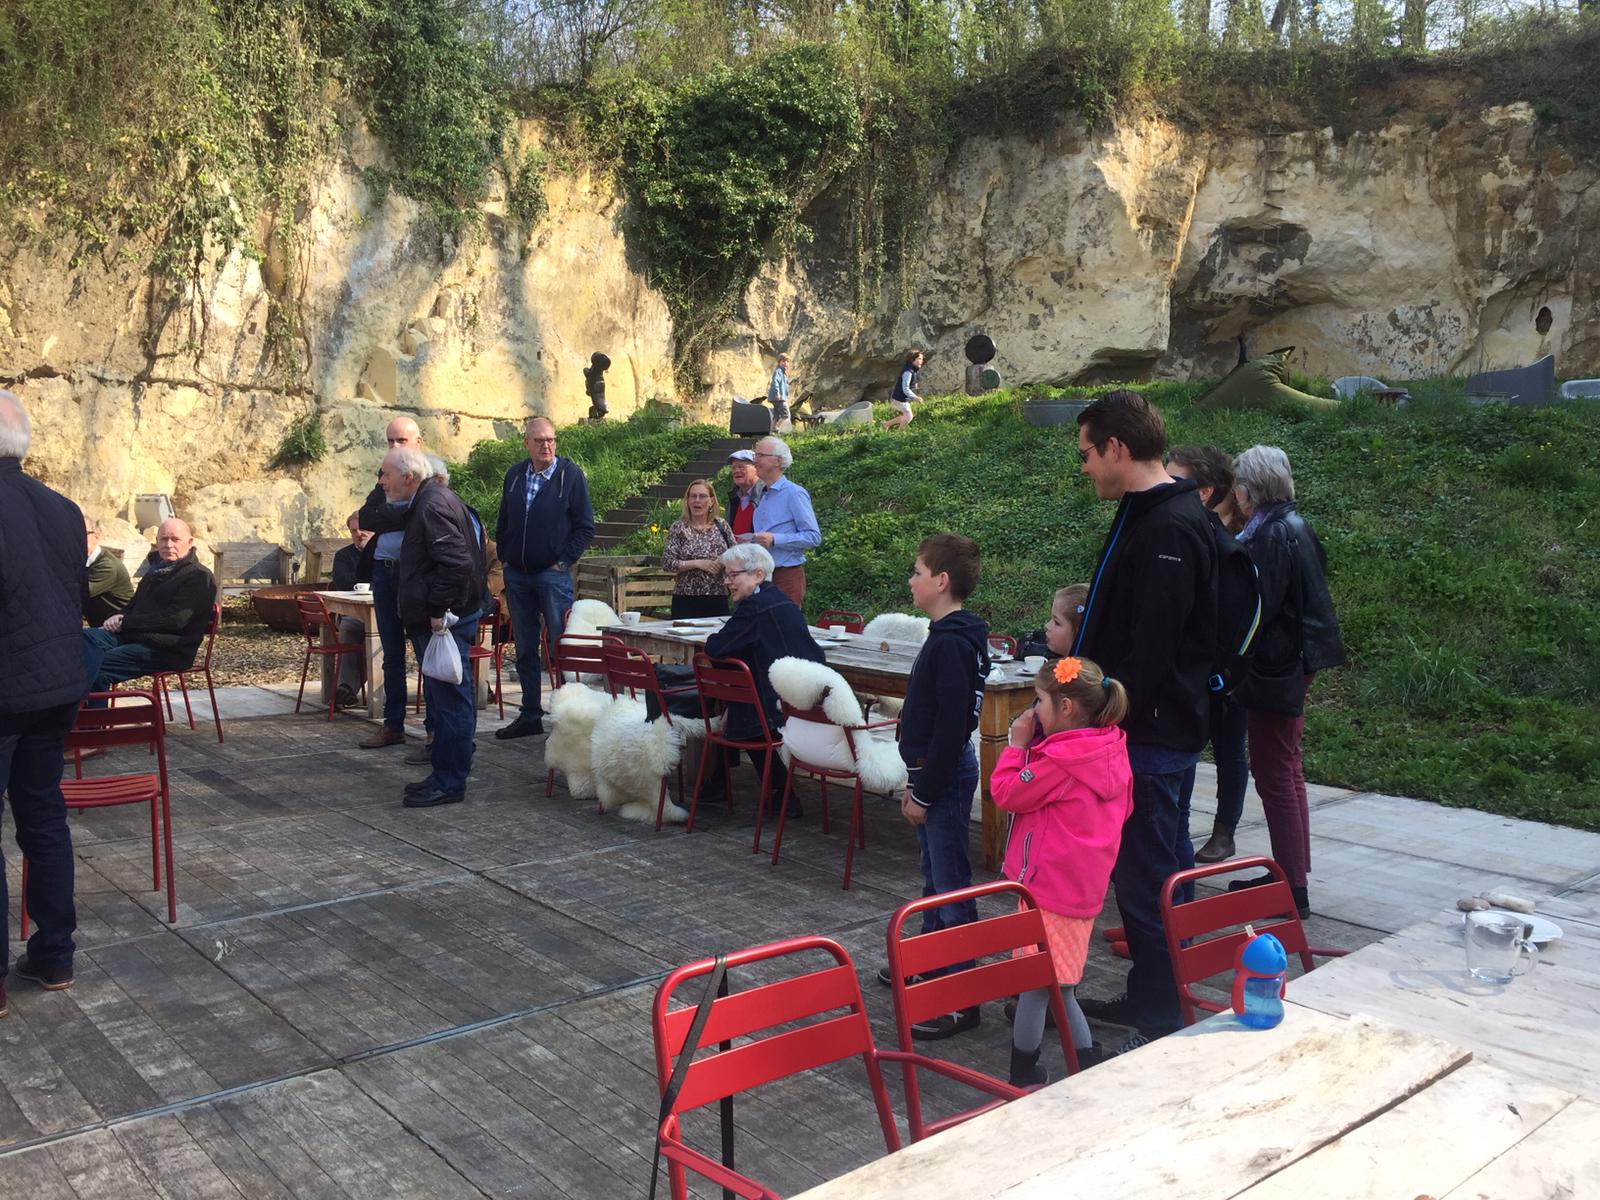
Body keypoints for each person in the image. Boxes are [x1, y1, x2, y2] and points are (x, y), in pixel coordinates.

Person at [1071, 390, 1216, 1054]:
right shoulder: (1149, 512)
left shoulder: (1170, 527)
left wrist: (1094, 715)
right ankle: (1152, 993)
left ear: (1116, 448)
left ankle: (1161, 1019)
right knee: (1150, 874)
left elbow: (1153, 652)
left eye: (1086, 454)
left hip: (1149, 737)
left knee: (1147, 878)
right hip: (1147, 731)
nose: (1084, 468)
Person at [993, 655, 1133, 1083]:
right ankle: (1085, 1058)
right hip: (1083, 889)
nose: (1034, 710)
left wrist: (1017, 747)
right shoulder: (1110, 749)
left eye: (1039, 700)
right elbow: (1125, 810)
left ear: (1066, 707)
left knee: (1035, 987)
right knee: (1063, 983)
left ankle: (1023, 1074)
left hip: (1046, 890)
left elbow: (1006, 793)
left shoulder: (1060, 762)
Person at [1227, 446, 1345, 918]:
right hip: (1296, 659)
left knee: (1275, 772)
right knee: (1286, 770)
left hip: (1277, 666)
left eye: (1239, 485)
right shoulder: (1293, 524)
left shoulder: (1271, 535)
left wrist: (1230, 659)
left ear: (1251, 489)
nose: (1235, 494)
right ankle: (1291, 875)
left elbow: (1258, 608)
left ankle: (1293, 889)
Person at [882, 533, 991, 1042]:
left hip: (941, 774)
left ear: (942, 581)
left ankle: (960, 998)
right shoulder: (950, 635)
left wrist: (924, 791)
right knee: (934, 878)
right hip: (931, 770)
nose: (911, 580)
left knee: (951, 887)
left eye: (918, 572)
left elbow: (952, 727)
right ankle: (928, 963)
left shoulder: (952, 643)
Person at [1, 390, 89, 1005]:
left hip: (7, 688)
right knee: (43, 818)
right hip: (55, 685)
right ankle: (55, 955)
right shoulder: (64, 509)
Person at [383, 446, 486, 808]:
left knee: (452, 702)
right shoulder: (430, 500)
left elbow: (457, 563)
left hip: (448, 621)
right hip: (447, 617)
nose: (382, 482)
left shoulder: (431, 504)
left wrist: (439, 610)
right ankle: (443, 773)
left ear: (408, 477)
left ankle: (450, 781)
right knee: (444, 702)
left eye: (386, 475)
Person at [1166, 445, 1250, 864]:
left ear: (1204, 492)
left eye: (1173, 480)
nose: (1162, 487)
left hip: (1221, 678)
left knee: (1229, 750)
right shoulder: (1188, 536)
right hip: (1195, 678)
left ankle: (1223, 832)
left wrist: (1222, 674)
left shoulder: (1225, 548)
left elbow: (1235, 622)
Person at [703, 542, 825, 815]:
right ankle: (722, 783)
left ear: (758, 575)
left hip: (776, 707)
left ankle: (778, 793)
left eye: (733, 575)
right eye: (726, 575)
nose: (727, 582)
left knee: (736, 701)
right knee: (736, 694)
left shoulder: (754, 607)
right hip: (805, 692)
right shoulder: (782, 600)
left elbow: (716, 647)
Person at [494, 416, 595, 741]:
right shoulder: (515, 475)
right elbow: (504, 520)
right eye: (539, 440)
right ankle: (530, 714)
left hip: (552, 575)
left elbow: (585, 526)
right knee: (524, 647)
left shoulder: (570, 476)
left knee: (559, 646)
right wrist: (505, 556)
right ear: (527, 443)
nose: (546, 446)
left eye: (551, 439)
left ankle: (568, 716)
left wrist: (563, 561)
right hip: (518, 575)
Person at [355, 416, 427, 750]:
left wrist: (389, 516)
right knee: (391, 653)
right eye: (390, 441)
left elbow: (422, 514)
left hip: (414, 575)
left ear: (418, 443)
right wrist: (401, 513)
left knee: (426, 651)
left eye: (401, 440)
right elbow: (366, 516)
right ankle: (393, 724)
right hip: (383, 573)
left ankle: (434, 729)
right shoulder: (384, 477)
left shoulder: (430, 477)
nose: (395, 446)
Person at [82, 518, 217, 694]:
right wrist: (119, 615)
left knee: (96, 664)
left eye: (175, 539)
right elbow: (133, 604)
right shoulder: (156, 570)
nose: (168, 545)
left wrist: (126, 622)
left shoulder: (198, 576)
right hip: (135, 637)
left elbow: (175, 620)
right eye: (164, 539)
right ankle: (70, 702)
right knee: (81, 640)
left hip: (167, 649)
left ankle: (86, 711)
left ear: (190, 542)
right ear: (157, 541)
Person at [749, 436, 819, 607]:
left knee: (783, 622)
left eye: (760, 456)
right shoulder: (762, 494)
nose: (755, 460)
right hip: (761, 576)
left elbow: (813, 537)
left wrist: (775, 539)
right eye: (755, 455)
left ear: (778, 461)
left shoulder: (794, 493)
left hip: (785, 576)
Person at [662, 480, 735, 618]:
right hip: (686, 599)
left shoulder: (722, 526)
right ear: (687, 501)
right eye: (693, 496)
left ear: (711, 501)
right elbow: (667, 563)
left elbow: (736, 555)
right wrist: (698, 563)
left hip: (717, 597)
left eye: (702, 496)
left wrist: (722, 560)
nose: (697, 500)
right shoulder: (679, 528)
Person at [331, 511, 372, 709]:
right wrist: (370, 583)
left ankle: (349, 688)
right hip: (354, 613)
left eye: (363, 529)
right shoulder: (343, 556)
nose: (359, 534)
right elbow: (342, 582)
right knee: (349, 628)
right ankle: (345, 688)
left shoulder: (384, 554)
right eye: (354, 531)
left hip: (387, 615)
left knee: (380, 635)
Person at [83, 515, 134, 627]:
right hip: (101, 626)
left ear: (97, 535)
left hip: (118, 628)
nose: (77, 538)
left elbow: (76, 595)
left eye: (83, 533)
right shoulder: (82, 560)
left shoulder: (106, 566)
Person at [725, 449, 763, 540]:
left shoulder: (765, 495)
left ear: (756, 468)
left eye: (741, 467)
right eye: (733, 468)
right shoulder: (733, 497)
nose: (736, 471)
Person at [884, 349, 924, 431]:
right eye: (919, 359)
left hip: (901, 398)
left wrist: (914, 385)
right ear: (912, 360)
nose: (921, 361)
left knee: (907, 416)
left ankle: (886, 425)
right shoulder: (908, 371)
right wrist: (916, 397)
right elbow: (905, 388)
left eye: (922, 359)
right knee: (909, 417)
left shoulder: (912, 369)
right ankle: (898, 433)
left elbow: (910, 382)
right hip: (900, 398)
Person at [767, 353, 792, 432]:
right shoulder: (778, 371)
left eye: (787, 361)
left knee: (776, 415)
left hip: (778, 398)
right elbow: (775, 382)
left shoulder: (784, 373)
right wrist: (777, 393)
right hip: (778, 397)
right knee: (786, 414)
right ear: (779, 362)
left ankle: (771, 431)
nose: (785, 363)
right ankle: (776, 427)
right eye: (783, 361)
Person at [584, 352, 610, 421]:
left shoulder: (595, 370)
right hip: (598, 384)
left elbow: (587, 373)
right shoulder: (596, 369)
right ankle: (601, 409)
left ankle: (601, 410)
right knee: (599, 398)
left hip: (596, 385)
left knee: (598, 398)